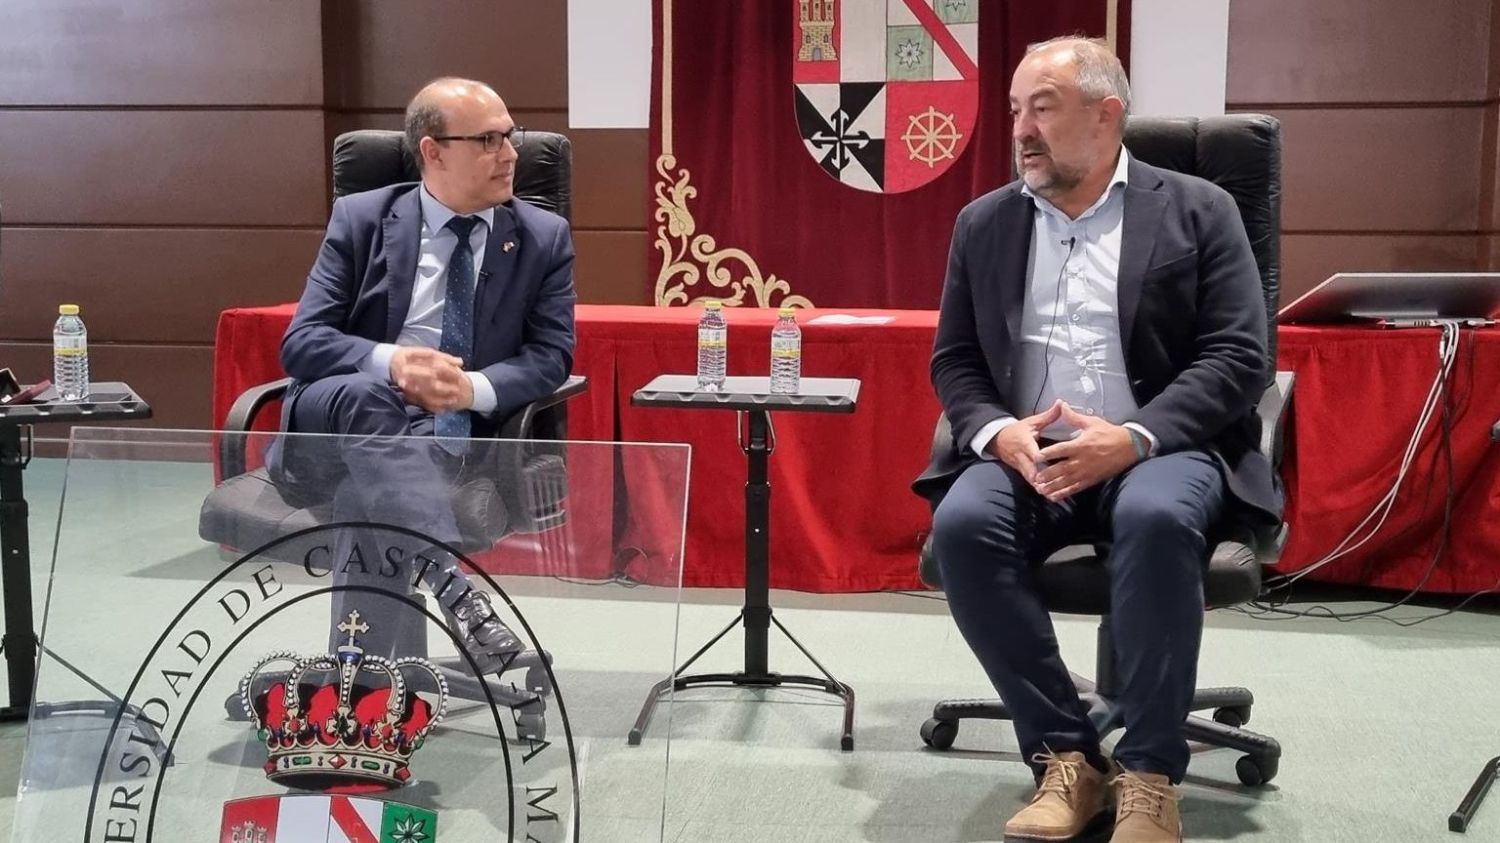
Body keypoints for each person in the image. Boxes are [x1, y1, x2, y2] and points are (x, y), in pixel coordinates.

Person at [914, 37, 1281, 843]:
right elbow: (958, 359)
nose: (1020, 130)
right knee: (964, 525)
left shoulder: (1197, 208)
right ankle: (1065, 758)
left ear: (1106, 114)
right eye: (1014, 110)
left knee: (1153, 517)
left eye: (1041, 108)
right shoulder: (985, 223)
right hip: (1031, 452)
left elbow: (1239, 356)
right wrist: (996, 430)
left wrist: (1136, 436)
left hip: (1162, 447)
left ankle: (1150, 775)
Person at [271, 76, 576, 670]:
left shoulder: (542, 237)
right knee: (367, 394)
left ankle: (355, 688)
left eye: (509, 138)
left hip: (442, 435)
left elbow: (552, 355)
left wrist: (471, 387)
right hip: (334, 425)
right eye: (488, 140)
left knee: (367, 497)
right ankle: (454, 585)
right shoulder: (361, 219)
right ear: (432, 150)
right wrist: (392, 362)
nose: (511, 154)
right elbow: (302, 343)